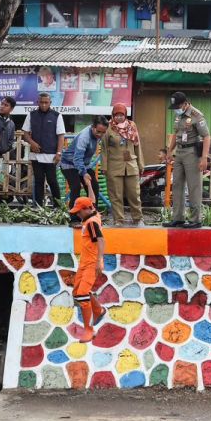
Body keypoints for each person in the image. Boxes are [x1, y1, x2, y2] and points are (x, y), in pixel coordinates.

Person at [166, 91, 210, 228]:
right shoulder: (178, 116)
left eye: (178, 106)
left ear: (185, 104)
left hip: (192, 152)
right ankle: (178, 217)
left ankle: (195, 219)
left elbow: (206, 137)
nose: (176, 110)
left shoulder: (196, 115)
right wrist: (169, 150)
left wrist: (204, 157)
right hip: (179, 152)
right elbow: (176, 134)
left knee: (193, 186)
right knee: (177, 185)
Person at [69, 196, 106, 343]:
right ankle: (98, 310)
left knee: (83, 294)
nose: (77, 214)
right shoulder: (93, 214)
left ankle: (89, 330)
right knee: (77, 292)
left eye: (79, 211)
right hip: (84, 262)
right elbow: (93, 201)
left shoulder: (91, 223)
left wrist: (99, 260)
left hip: (91, 263)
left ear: (86, 209)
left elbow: (101, 240)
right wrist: (89, 183)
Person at [102, 102, 145, 225]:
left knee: (134, 194)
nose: (119, 117)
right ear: (113, 115)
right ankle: (118, 220)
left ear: (125, 115)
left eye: (122, 115)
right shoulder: (108, 127)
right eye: (116, 115)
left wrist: (141, 164)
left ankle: (138, 218)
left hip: (131, 165)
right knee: (116, 195)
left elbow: (137, 145)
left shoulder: (132, 125)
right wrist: (104, 167)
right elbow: (104, 148)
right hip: (114, 166)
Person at [60, 116, 108, 224]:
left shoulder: (99, 134)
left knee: (94, 186)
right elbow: (77, 159)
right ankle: (74, 219)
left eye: (103, 133)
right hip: (69, 164)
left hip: (84, 164)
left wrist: (85, 172)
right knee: (76, 186)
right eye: (98, 131)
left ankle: (93, 215)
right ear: (93, 127)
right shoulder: (84, 137)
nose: (100, 135)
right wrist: (84, 173)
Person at [24, 92, 65, 207]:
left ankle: (58, 207)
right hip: (35, 155)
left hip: (51, 155)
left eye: (46, 102)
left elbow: (61, 136)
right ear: (38, 102)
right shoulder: (31, 115)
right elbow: (25, 133)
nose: (43, 105)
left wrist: (58, 153)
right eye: (41, 102)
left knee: (52, 180)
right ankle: (38, 206)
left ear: (50, 103)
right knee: (38, 181)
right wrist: (32, 143)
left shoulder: (57, 116)